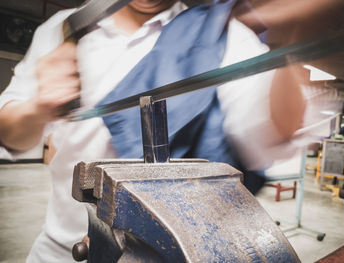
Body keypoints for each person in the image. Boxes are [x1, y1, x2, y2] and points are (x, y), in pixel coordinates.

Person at [0, 0, 320, 261]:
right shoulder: (63, 27)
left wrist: (290, 40)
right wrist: (39, 107)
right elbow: (10, 135)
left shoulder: (218, 34)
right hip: (58, 250)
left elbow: (274, 132)